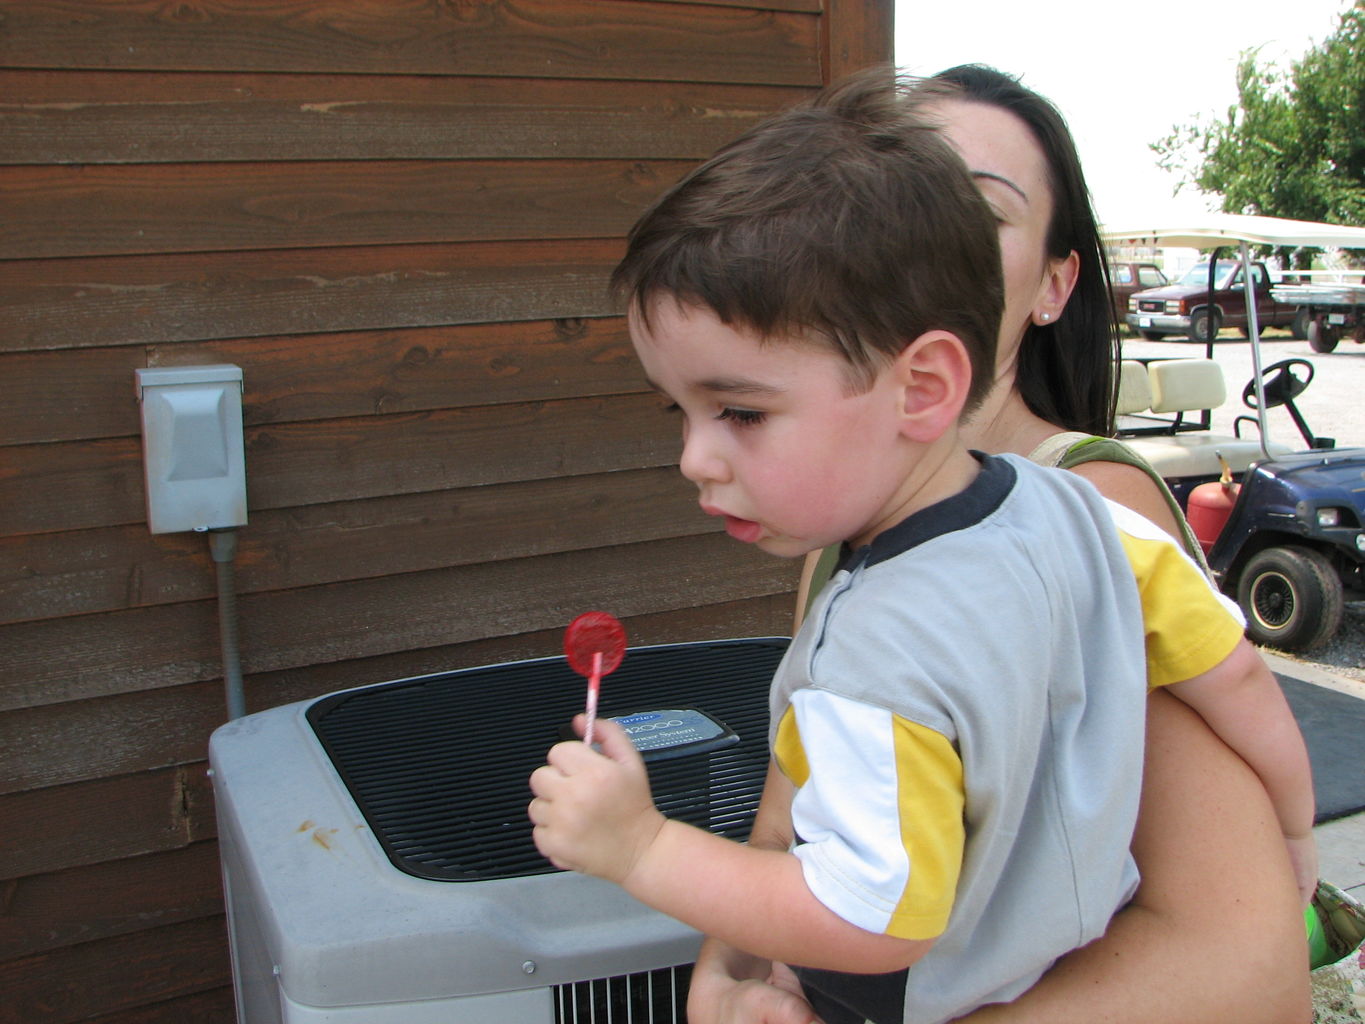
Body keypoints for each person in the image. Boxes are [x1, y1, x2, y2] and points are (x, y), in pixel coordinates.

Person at [527, 69, 1267, 1024]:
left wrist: (650, 854)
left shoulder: (1087, 514)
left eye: (962, 205)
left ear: (1053, 281)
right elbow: (805, 803)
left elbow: (1241, 963)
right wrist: (741, 968)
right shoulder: (847, 523)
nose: (903, 234)